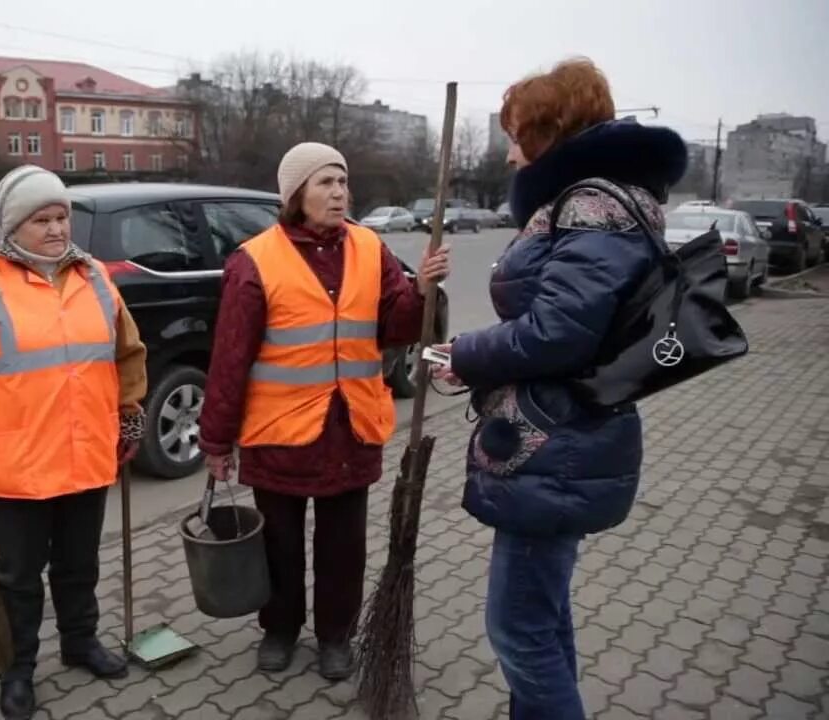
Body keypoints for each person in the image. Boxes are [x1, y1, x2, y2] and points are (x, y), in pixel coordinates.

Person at [432, 58, 687, 719]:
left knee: (517, 629)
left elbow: (557, 333)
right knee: (542, 620)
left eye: (517, 134)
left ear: (550, 131)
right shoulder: (595, 200)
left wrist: (464, 353)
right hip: (561, 434)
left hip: (558, 440)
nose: (510, 151)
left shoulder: (594, 204)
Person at [199, 142, 450, 681]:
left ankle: (336, 635)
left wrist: (421, 291)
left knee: (343, 548)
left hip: (350, 429)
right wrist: (216, 442)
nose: (339, 193)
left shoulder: (369, 247)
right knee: (279, 545)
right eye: (325, 183)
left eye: (342, 181)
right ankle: (281, 630)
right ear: (296, 195)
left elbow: (396, 327)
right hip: (279, 434)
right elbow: (228, 361)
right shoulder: (254, 261)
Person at [0, 165, 148, 720]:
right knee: (19, 576)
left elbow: (127, 353)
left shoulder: (95, 276)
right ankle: (17, 669)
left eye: (61, 216)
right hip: (14, 465)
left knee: (79, 564)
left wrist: (129, 416)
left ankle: (80, 642)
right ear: (12, 227)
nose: (56, 228)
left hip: (85, 455)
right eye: (41, 219)